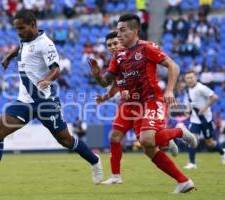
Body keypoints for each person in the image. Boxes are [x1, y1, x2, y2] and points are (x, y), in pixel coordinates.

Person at [0, 9, 103, 193]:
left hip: (44, 101)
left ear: (33, 25)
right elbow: (21, 46)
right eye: (16, 29)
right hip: (24, 101)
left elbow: (56, 68)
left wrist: (48, 79)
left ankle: (94, 161)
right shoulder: (24, 39)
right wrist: (8, 57)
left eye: (21, 28)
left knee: (66, 140)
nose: (18, 32)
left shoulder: (46, 44)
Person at [88, 13, 197, 193]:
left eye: (122, 30)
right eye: (118, 31)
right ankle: (183, 181)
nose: (119, 34)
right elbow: (108, 82)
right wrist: (98, 75)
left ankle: (179, 131)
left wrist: (169, 90)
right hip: (133, 106)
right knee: (148, 148)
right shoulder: (119, 56)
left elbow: (173, 66)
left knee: (147, 140)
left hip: (152, 101)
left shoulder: (147, 48)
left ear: (135, 30)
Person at [95, 32, 178, 185]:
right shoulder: (116, 61)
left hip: (143, 103)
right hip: (126, 106)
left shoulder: (136, 56)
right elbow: (114, 86)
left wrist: (130, 91)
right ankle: (115, 176)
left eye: (115, 43)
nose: (112, 47)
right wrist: (105, 97)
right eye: (109, 45)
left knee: (147, 142)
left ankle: (169, 137)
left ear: (123, 41)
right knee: (114, 137)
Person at [183, 71, 225, 169]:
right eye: (187, 78)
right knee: (192, 139)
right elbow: (191, 102)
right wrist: (188, 109)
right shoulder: (187, 90)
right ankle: (192, 163)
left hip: (205, 119)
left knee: (209, 143)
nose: (189, 80)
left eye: (191, 77)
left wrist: (205, 107)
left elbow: (214, 97)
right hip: (194, 119)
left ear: (196, 78)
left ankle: (223, 152)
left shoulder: (201, 88)